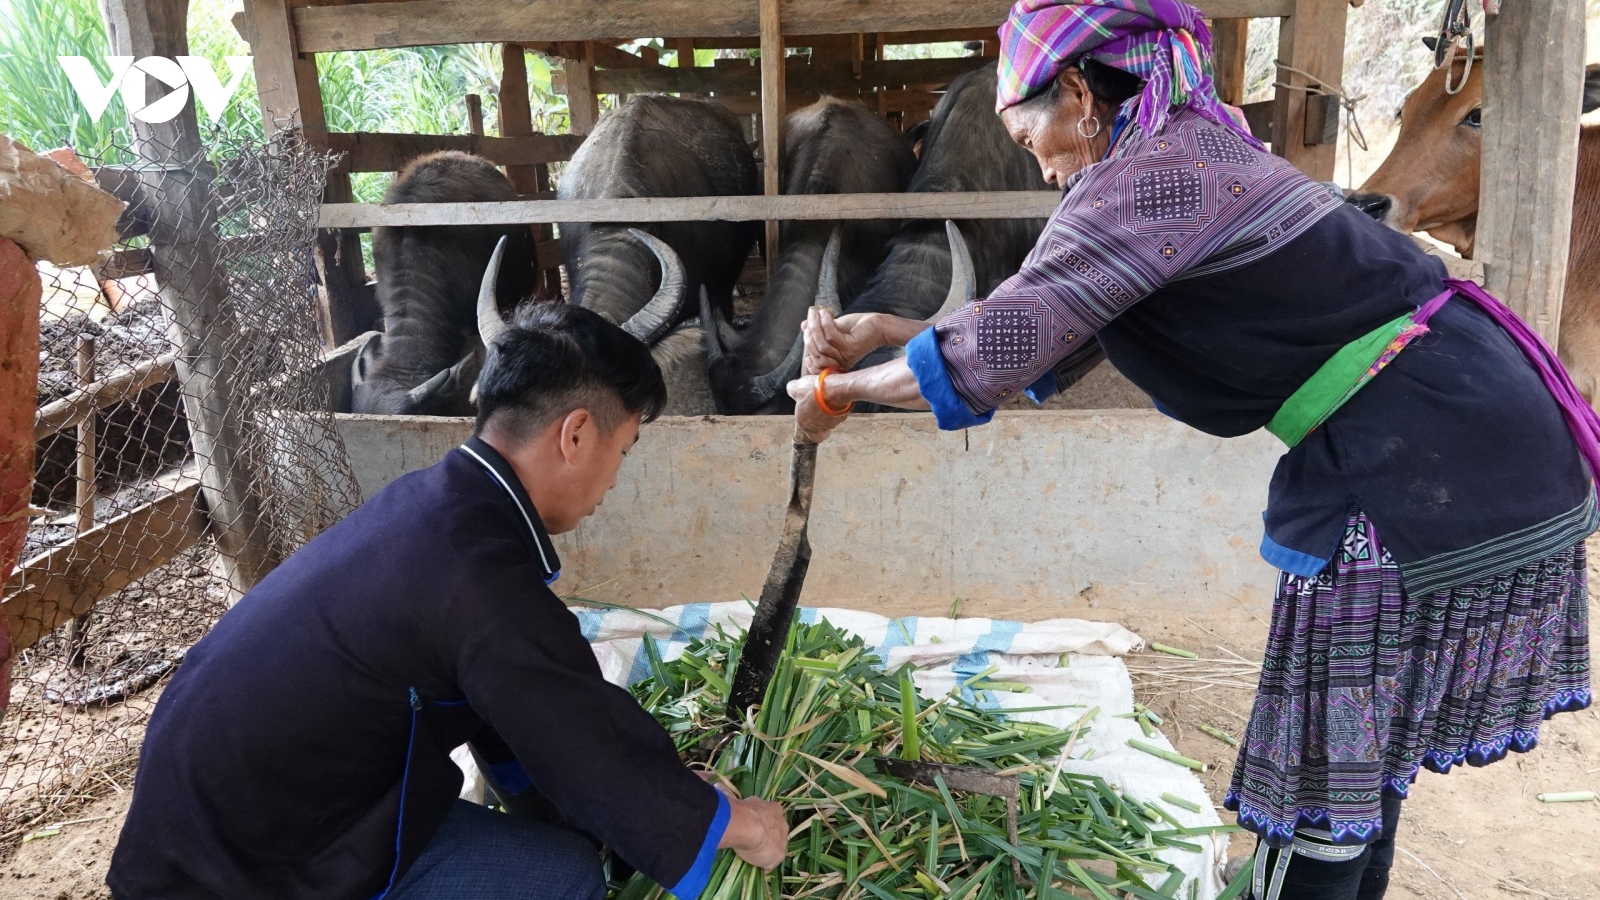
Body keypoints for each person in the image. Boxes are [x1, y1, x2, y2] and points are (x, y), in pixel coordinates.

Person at [785, 2, 1594, 899]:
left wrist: (831, 394)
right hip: (1469, 423)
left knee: (1325, 770)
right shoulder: (1185, 151)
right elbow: (1045, 331)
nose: (1037, 159)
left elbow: (996, 350)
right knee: (1360, 755)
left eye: (1029, 133)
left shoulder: (1146, 180)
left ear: (1081, 95)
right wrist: (884, 337)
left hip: (1421, 456)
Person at [107, 302, 788, 900]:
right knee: (567, 877)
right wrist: (738, 824)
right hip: (253, 869)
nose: (616, 476)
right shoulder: (480, 579)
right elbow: (584, 744)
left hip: (227, 822)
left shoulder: (437, 504)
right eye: (625, 449)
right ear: (576, 435)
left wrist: (656, 794)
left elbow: (524, 708)